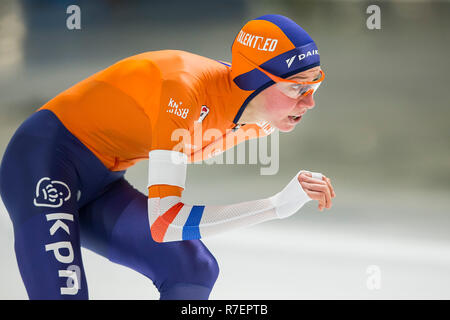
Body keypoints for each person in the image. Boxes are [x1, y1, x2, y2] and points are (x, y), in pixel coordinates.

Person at [0, 14, 335, 300]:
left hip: (100, 183)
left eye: (314, 86)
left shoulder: (263, 119)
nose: (309, 103)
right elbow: (166, 223)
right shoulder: (184, 89)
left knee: (193, 270)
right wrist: (275, 205)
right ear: (255, 80)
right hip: (43, 162)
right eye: (296, 87)